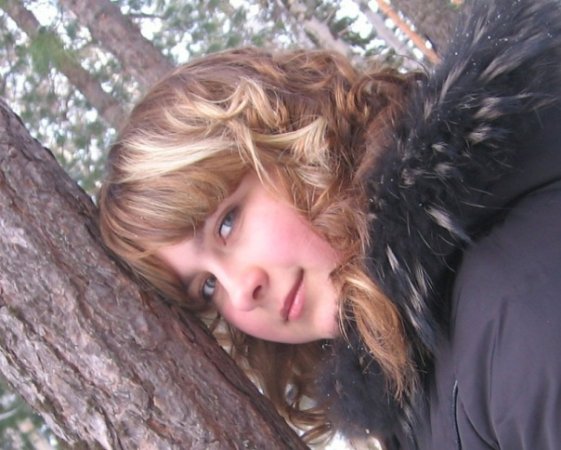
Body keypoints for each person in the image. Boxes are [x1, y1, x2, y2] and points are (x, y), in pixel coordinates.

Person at [98, 0, 561, 448]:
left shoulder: (512, 309)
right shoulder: (403, 367)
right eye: (207, 287)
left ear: (293, 139)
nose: (240, 293)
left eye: (226, 224)